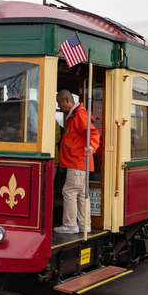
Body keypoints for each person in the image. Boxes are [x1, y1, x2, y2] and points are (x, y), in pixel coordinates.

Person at [54, 89, 100, 234]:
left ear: (67, 101)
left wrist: (92, 147)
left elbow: (93, 133)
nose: (60, 107)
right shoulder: (75, 115)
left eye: (60, 104)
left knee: (69, 191)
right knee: (81, 194)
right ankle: (83, 225)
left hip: (77, 163)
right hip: (78, 163)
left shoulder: (79, 115)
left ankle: (70, 224)